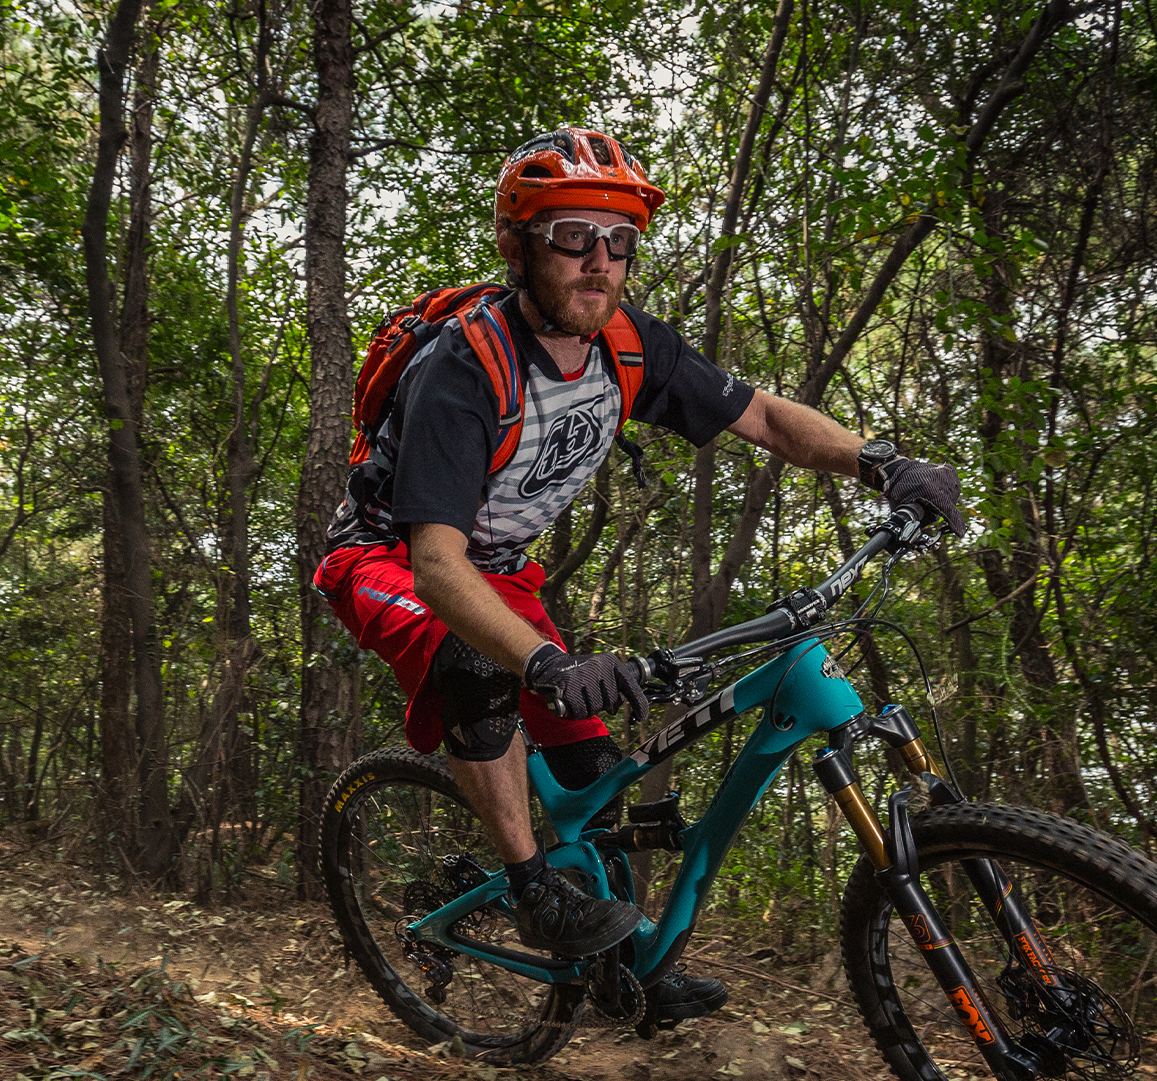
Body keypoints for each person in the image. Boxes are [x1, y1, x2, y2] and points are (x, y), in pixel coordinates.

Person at [312, 127, 966, 1017]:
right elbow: (436, 565)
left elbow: (768, 420)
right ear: (519, 243)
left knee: (591, 770)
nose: (601, 260)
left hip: (497, 567)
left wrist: (883, 464)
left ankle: (623, 977)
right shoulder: (467, 367)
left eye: (620, 239)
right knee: (476, 662)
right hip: (391, 557)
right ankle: (533, 887)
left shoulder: (628, 347)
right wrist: (545, 661)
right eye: (574, 234)